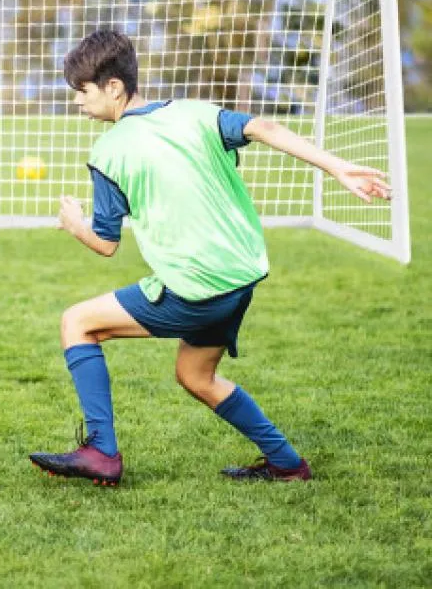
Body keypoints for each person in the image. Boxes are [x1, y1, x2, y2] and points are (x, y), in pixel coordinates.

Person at [29, 29, 390, 486]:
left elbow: (106, 244)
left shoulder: (108, 151)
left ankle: (101, 451)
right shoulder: (194, 112)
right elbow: (265, 127)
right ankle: (287, 464)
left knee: (77, 322)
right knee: (196, 376)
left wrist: (75, 224)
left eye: (82, 92)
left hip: (195, 288)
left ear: (113, 87)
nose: (78, 102)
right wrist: (338, 166)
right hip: (240, 276)